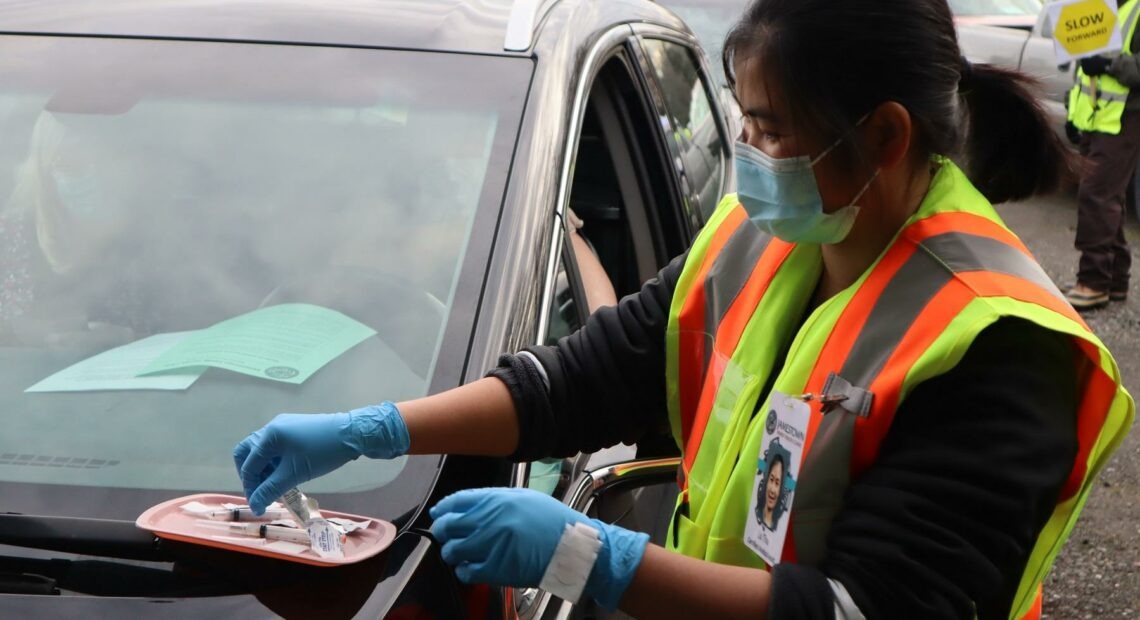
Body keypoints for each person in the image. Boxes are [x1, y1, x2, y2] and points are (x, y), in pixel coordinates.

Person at [233, 0, 1134, 618]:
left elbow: (872, 606)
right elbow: (585, 379)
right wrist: (380, 428)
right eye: (744, 119)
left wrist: (593, 560)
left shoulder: (1000, 344)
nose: (746, 151)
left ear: (886, 136)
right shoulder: (764, 234)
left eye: (771, 127)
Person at [1065, 0, 1140, 310]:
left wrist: (1110, 65)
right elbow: (1082, 67)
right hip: (1092, 118)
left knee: (1097, 195)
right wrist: (1073, 110)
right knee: (1108, 198)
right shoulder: (1095, 4)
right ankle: (1114, 281)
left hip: (1124, 119)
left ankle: (1093, 282)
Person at [757, 452, 785, 531]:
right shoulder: (754, 515)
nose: (772, 490)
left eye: (777, 483)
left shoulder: (779, 530)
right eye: (771, 480)